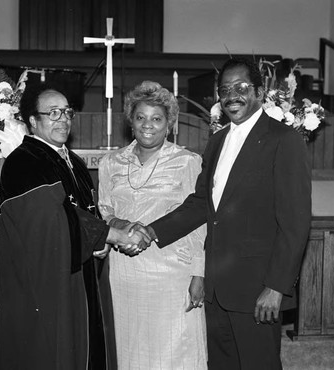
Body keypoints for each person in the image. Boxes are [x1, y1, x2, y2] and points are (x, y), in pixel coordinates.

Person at [141, 57, 312, 369]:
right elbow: (200, 205)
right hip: (217, 288)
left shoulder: (283, 140)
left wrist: (276, 287)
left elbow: (295, 224)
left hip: (258, 289)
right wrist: (151, 231)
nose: (232, 95)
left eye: (241, 88)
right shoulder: (217, 140)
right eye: (224, 90)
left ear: (260, 92)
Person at [0, 84, 149, 369]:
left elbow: (87, 213)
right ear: (32, 120)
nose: (63, 118)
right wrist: (110, 236)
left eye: (67, 112)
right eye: (53, 113)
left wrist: (101, 239)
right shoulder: (23, 162)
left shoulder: (75, 163)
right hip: (47, 281)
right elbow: (53, 221)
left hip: (81, 272)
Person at [97, 81, 208, 369]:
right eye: (141, 117)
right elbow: (104, 209)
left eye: (157, 118)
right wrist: (119, 222)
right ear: (130, 122)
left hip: (172, 271)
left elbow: (199, 222)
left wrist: (199, 273)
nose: (148, 125)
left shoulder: (187, 162)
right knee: (129, 345)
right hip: (125, 270)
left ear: (169, 124)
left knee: (174, 347)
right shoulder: (111, 162)